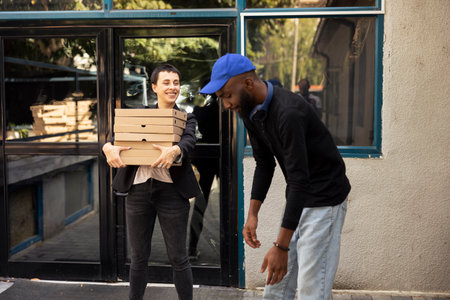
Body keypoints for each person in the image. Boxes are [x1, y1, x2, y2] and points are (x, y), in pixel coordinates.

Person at [200, 53, 350, 300]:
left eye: (227, 95)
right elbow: (264, 163)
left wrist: (281, 246)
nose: (226, 104)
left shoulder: (288, 113)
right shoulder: (249, 111)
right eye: (221, 98)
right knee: (275, 287)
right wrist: (252, 214)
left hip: (325, 199)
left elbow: (300, 178)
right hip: (299, 195)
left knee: (312, 288)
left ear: (248, 84)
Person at [102, 64, 200, 300]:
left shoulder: (187, 117)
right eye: (166, 83)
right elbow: (113, 139)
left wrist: (175, 151)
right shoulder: (140, 116)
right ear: (154, 87)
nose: (172, 87)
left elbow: (188, 142)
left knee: (179, 257)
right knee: (138, 258)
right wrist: (107, 148)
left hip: (172, 193)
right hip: (139, 191)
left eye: (176, 83)